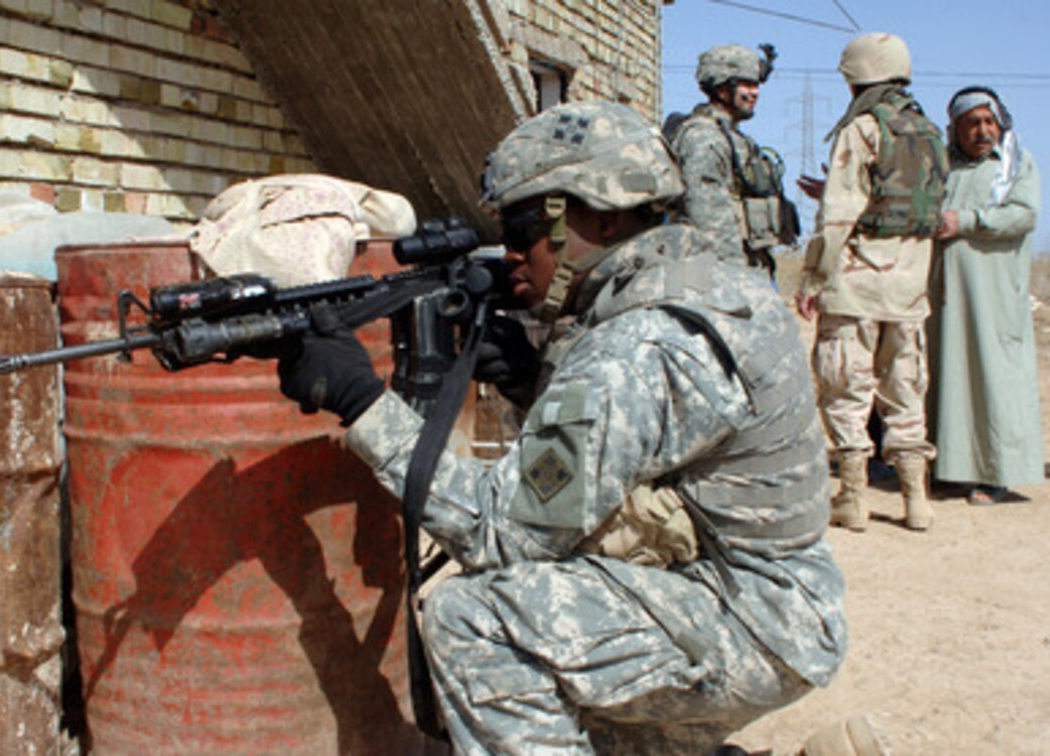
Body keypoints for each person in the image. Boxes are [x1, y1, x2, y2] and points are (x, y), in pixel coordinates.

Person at [276, 101, 849, 753]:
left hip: (747, 623)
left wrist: (362, 402)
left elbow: (505, 532)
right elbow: (638, 444)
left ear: (604, 213)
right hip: (776, 600)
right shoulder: (709, 284)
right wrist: (532, 375)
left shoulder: (640, 345)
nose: (512, 254)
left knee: (480, 621)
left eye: (525, 226)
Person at [795, 32, 948, 533]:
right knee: (906, 389)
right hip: (909, 287)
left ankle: (854, 499)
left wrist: (813, 277)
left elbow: (839, 214)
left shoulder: (862, 129)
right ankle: (915, 500)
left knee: (846, 388)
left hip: (856, 286)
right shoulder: (929, 133)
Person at [929, 86, 1044, 504]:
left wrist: (969, 221)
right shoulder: (944, 169)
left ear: (1000, 124)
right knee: (946, 378)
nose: (981, 131)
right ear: (955, 129)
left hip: (992, 299)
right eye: (971, 123)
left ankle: (995, 474)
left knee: (991, 379)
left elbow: (1023, 215)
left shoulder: (1014, 166)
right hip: (945, 296)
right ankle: (950, 468)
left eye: (988, 122)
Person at [665, 43, 799, 276]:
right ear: (721, 89)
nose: (755, 92)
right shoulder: (704, 138)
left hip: (749, 265)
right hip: (720, 270)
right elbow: (709, 220)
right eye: (746, 84)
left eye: (756, 84)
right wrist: (735, 277)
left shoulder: (734, 138)